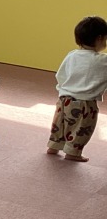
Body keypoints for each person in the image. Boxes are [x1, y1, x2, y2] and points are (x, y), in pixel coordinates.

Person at [46, 15, 107, 162]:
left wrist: (65, 89)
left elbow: (61, 75)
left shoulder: (72, 55)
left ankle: (54, 146)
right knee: (81, 128)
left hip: (64, 99)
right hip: (85, 103)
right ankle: (73, 153)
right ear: (99, 39)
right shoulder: (102, 60)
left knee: (60, 124)